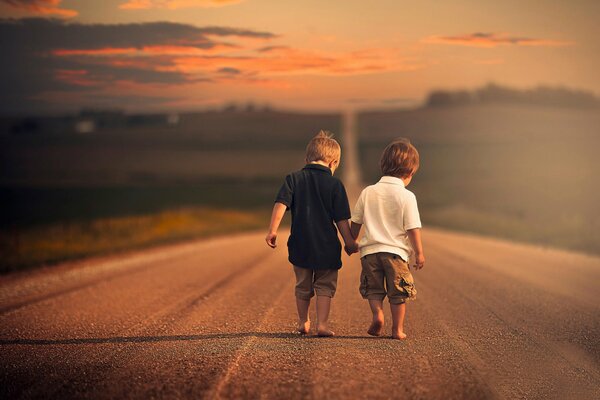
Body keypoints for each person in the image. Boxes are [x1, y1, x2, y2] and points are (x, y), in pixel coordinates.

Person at [265, 130, 357, 337]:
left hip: (300, 244)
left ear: (307, 158)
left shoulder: (293, 179)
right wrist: (349, 242)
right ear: (333, 163)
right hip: (326, 247)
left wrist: (272, 230)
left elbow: (281, 204)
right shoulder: (335, 184)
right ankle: (322, 324)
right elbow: (341, 219)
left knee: (302, 285)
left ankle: (303, 322)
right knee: (325, 285)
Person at [349, 138, 425, 340]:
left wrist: (351, 241)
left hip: (370, 253)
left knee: (373, 289)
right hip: (396, 254)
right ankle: (397, 330)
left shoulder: (368, 192)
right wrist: (419, 252)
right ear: (409, 173)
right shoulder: (407, 196)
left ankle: (378, 315)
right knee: (399, 292)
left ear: (383, 166)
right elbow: (412, 228)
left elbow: (356, 221)